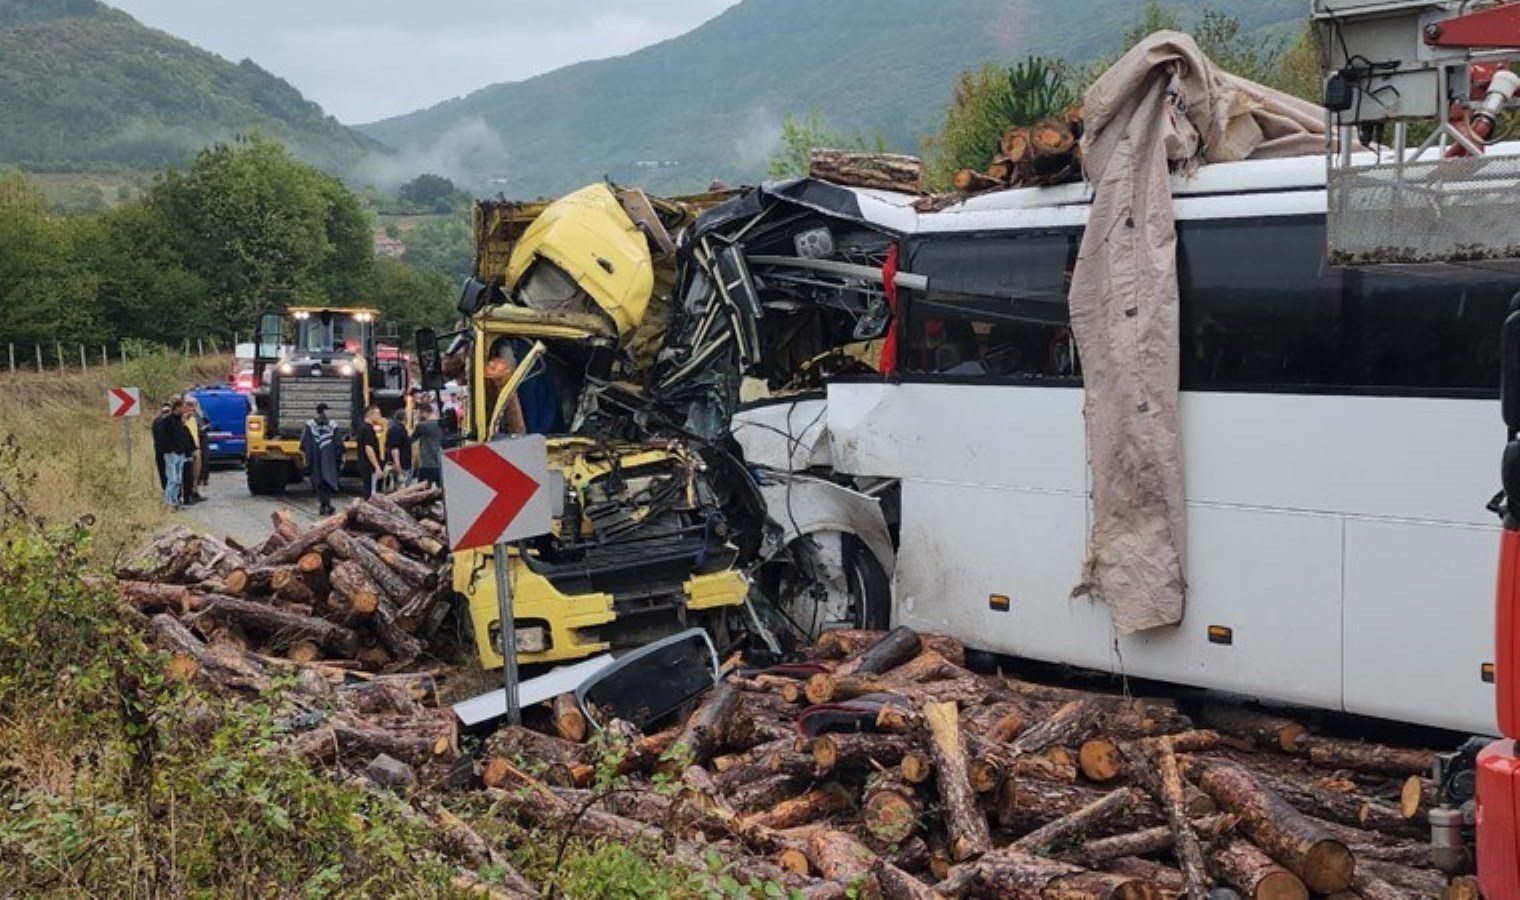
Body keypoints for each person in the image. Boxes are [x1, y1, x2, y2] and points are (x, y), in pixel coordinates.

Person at [300, 402, 342, 515]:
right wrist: (340, 456)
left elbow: (304, 443)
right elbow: (338, 443)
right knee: (328, 479)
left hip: (315, 457)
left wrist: (307, 457)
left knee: (318, 480)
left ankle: (324, 504)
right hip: (329, 458)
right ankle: (327, 504)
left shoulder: (309, 425)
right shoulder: (333, 425)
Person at [156, 398, 194, 510]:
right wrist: (170, 449)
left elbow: (182, 437)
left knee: (178, 480)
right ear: (177, 407)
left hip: (180, 453)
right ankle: (168, 503)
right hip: (171, 453)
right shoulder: (167, 421)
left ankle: (175, 501)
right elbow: (164, 438)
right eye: (183, 407)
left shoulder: (179, 421)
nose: (184, 409)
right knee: (172, 479)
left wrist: (186, 451)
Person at [412, 402, 444, 488]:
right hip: (440, 462)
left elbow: (412, 439)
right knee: (442, 489)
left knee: (421, 490)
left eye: (419, 413)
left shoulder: (421, 426)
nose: (419, 415)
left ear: (424, 412)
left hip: (426, 463)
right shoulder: (441, 424)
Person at [181, 397, 206, 504]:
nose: (192, 407)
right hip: (186, 449)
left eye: (194, 405)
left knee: (196, 472)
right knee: (187, 473)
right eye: (189, 405)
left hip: (196, 447)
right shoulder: (181, 418)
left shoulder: (196, 417)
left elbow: (203, 426)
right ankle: (186, 494)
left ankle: (194, 491)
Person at [357, 404, 384, 499]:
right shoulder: (368, 429)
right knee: (372, 494)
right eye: (378, 413)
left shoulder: (362, 428)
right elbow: (369, 449)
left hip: (364, 464)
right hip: (369, 466)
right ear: (370, 414)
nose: (380, 416)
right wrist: (377, 467)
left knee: (368, 490)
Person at [384, 409, 413, 491]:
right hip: (402, 465)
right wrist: (397, 464)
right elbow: (394, 448)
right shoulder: (396, 429)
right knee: (401, 488)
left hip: (403, 463)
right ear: (405, 418)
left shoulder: (398, 428)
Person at [151, 402, 173, 489]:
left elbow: (155, 436)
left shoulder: (155, 421)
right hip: (170, 452)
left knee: (163, 473)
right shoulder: (172, 421)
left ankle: (166, 490)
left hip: (159, 451)